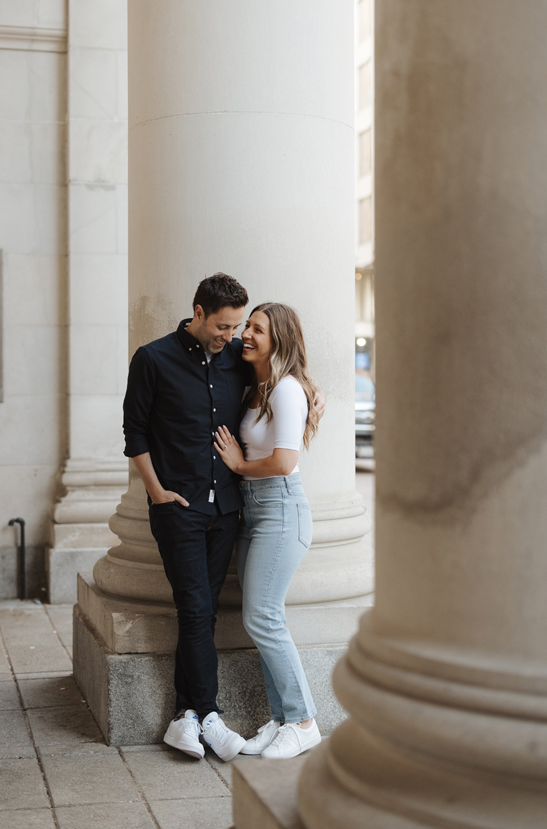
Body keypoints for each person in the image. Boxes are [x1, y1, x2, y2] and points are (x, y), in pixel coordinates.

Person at [122, 273, 254, 761]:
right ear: (198, 313)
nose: (229, 336)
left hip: (226, 509)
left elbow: (283, 376)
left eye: (235, 326)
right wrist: (156, 493)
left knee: (202, 611)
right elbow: (135, 432)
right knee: (197, 609)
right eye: (222, 326)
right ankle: (211, 714)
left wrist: (313, 394)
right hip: (178, 509)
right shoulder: (153, 358)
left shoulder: (238, 358)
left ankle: (185, 717)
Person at [213, 303, 322, 759]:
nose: (247, 335)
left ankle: (303, 721)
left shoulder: (286, 390)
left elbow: (284, 460)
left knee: (263, 616)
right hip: (255, 512)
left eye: (258, 329)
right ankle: (281, 719)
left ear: (279, 340)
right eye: (248, 327)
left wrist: (239, 465)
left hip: (281, 508)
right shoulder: (258, 387)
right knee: (262, 618)